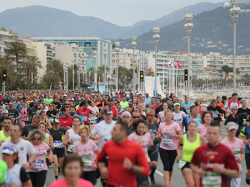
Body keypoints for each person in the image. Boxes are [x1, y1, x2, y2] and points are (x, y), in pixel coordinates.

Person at [97, 121, 150, 187]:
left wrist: (132, 167)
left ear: (123, 133)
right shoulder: (108, 145)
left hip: (129, 184)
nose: (111, 132)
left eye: (114, 130)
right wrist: (102, 168)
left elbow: (146, 171)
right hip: (111, 184)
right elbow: (99, 159)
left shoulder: (136, 147)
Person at [190, 122, 240, 187]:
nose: (212, 136)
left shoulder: (226, 151)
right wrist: (197, 170)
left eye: (214, 133)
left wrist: (223, 170)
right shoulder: (199, 150)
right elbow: (192, 164)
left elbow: (237, 173)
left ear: (220, 135)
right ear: (207, 134)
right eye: (210, 133)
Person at [157, 109, 183, 187]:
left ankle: (169, 180)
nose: (168, 116)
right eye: (167, 115)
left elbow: (181, 135)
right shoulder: (161, 125)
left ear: (172, 116)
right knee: (166, 166)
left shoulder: (175, 125)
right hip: (163, 148)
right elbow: (159, 133)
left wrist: (173, 135)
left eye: (170, 115)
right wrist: (159, 136)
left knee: (170, 167)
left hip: (173, 148)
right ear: (164, 117)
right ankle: (167, 185)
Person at [177, 121, 206, 187]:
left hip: (197, 164)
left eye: (194, 126)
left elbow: (206, 150)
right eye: (191, 126)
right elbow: (179, 148)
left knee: (197, 184)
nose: (193, 128)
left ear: (196, 128)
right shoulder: (183, 137)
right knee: (190, 184)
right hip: (186, 162)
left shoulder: (200, 137)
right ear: (188, 127)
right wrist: (179, 153)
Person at [128, 119, 153, 186]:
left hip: (145, 160)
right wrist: (136, 144)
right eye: (139, 127)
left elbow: (151, 146)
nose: (141, 129)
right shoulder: (131, 136)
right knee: (137, 181)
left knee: (145, 181)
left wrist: (151, 144)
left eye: (143, 127)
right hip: (135, 161)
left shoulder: (147, 135)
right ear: (136, 127)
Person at [221, 122, 245, 187]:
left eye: (234, 129)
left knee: (236, 186)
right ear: (227, 130)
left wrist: (241, 158)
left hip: (237, 169)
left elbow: (242, 153)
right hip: (226, 169)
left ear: (236, 130)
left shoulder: (240, 142)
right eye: (230, 130)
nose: (232, 131)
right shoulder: (223, 143)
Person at [145, 109, 159, 184]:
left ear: (154, 116)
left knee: (154, 164)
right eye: (148, 115)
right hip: (145, 148)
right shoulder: (143, 124)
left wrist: (158, 136)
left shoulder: (156, 124)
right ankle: (146, 180)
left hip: (154, 146)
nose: (149, 117)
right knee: (146, 166)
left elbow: (159, 134)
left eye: (151, 115)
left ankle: (151, 174)